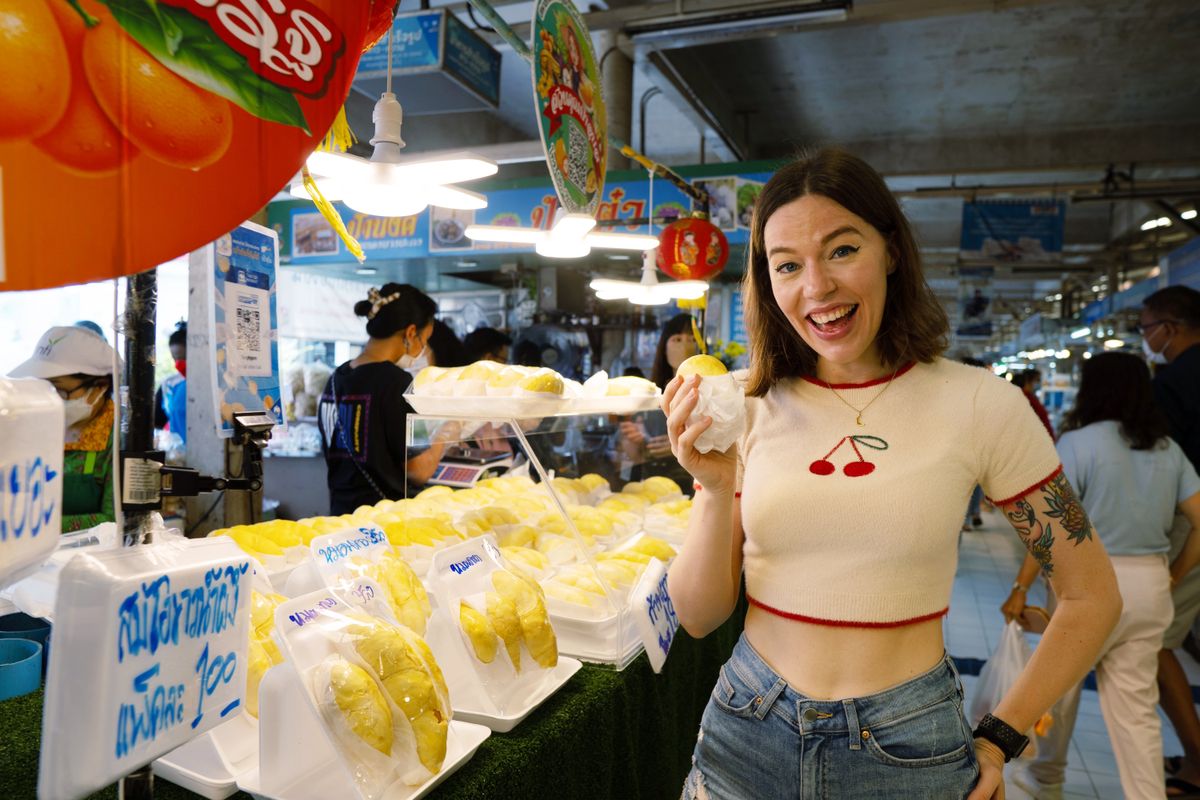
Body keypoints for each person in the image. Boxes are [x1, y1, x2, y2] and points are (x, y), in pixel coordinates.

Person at [663, 148, 1120, 800]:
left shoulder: (980, 404)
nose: (815, 286)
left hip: (907, 743)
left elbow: (1091, 595)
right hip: (746, 727)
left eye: (842, 250)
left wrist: (1002, 735)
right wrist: (712, 486)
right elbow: (700, 615)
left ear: (892, 251)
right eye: (786, 265)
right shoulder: (743, 404)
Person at [1000, 352, 1200, 799]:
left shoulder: (1078, 443)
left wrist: (1020, 586)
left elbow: (1048, 528)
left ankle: (1041, 784)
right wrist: (1172, 573)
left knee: (1056, 695)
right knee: (1136, 711)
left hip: (1088, 586)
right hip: (1150, 586)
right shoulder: (1168, 450)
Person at [318, 284, 460, 515]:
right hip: (385, 524)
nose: (422, 349)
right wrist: (446, 433)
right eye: (425, 340)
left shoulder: (336, 379)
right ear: (411, 332)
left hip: (341, 517)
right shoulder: (398, 383)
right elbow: (419, 469)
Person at [1138, 286, 1200, 794]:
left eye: (1146, 329)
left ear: (1170, 328)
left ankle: (1198, 763)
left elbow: (1165, 463)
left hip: (1191, 520)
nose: (1147, 339)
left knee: (1156, 642)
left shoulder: (1173, 382)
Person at [9, 325, 119, 533]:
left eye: (58, 389)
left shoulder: (120, 439)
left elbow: (115, 520)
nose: (50, 399)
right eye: (43, 389)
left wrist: (34, 524)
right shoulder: (36, 426)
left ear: (99, 387)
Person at [618, 314, 698, 492]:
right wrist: (634, 438)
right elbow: (635, 454)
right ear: (664, 346)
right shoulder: (651, 393)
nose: (685, 345)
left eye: (692, 339)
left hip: (693, 480)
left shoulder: (707, 393)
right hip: (653, 482)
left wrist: (676, 446)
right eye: (677, 339)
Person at [155, 321, 187, 444]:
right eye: (175, 358)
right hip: (179, 453)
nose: (179, 363)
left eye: (184, 358)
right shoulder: (168, 385)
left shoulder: (212, 384)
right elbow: (158, 421)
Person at [1013, 369, 1054, 439]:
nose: (1038, 383)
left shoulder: (1028, 397)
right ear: (1028, 381)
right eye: (1037, 380)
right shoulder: (1025, 398)